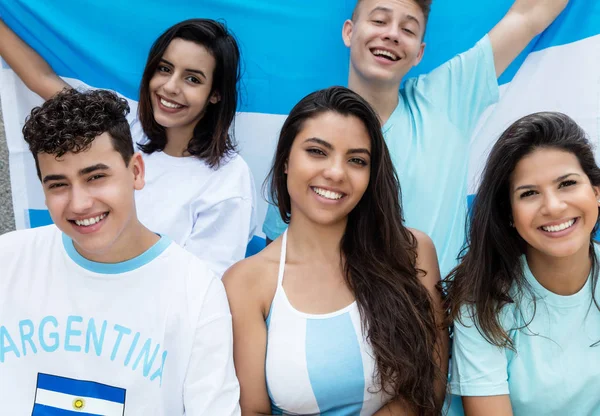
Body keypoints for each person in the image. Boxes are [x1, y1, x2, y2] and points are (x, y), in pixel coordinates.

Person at [262, 0, 570, 277]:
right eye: (379, 21)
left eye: (408, 29)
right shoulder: (309, 133)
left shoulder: (447, 96)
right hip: (340, 320)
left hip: (439, 319)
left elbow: (527, 16)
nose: (392, 34)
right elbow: (276, 250)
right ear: (349, 32)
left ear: (419, 52)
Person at [0, 89, 240, 415]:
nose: (80, 203)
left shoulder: (196, 291)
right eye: (58, 184)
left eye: (96, 177)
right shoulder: (8, 260)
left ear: (136, 172)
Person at [223, 86, 448, 415]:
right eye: (317, 151)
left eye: (357, 160)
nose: (335, 172)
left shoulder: (413, 253)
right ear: (286, 160)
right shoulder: (245, 283)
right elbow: (252, 410)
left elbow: (431, 383)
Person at [0, 18, 256, 276]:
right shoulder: (119, 125)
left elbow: (205, 284)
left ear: (216, 94)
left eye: (192, 79)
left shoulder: (229, 179)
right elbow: (41, 78)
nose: (170, 87)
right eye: (165, 69)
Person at [446, 112, 600, 415]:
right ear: (509, 215)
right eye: (529, 193)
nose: (553, 207)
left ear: (596, 192)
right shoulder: (482, 303)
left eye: (567, 183)